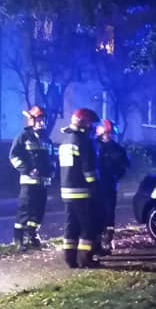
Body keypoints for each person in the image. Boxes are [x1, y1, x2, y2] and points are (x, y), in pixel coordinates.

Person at [59, 108, 100, 268]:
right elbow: (88, 169)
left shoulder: (66, 140)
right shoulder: (83, 142)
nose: (93, 129)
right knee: (87, 226)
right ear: (84, 124)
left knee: (71, 225)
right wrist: (95, 185)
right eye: (91, 125)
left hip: (67, 191)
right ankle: (85, 258)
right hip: (81, 192)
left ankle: (70, 259)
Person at [8, 105, 53, 249]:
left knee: (39, 211)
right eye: (39, 120)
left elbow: (51, 158)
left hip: (43, 182)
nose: (42, 123)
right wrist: (27, 170)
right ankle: (18, 238)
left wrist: (52, 170)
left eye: (43, 120)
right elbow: (14, 156)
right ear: (32, 120)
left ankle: (32, 235)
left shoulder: (46, 139)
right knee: (25, 210)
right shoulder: (23, 137)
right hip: (29, 181)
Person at [94, 118, 129, 255]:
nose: (108, 136)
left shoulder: (118, 149)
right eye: (106, 134)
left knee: (109, 214)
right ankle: (96, 241)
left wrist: (116, 176)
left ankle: (108, 239)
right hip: (96, 187)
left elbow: (124, 166)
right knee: (97, 214)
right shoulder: (94, 146)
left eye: (110, 134)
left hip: (109, 186)